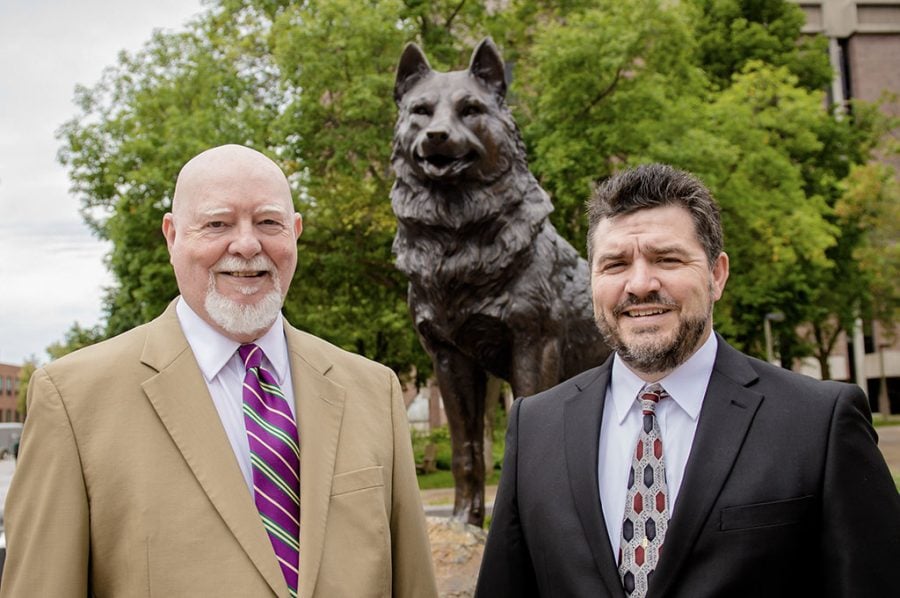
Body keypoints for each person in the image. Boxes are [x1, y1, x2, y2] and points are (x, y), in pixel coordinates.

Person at [0, 144, 438, 598]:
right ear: (172, 237)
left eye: (268, 222)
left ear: (295, 232)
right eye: (217, 224)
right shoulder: (73, 400)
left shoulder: (374, 390)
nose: (247, 245)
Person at [476, 163, 900, 597]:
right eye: (615, 264)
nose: (639, 284)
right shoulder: (535, 427)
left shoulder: (819, 423)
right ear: (593, 281)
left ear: (717, 275)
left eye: (667, 258)